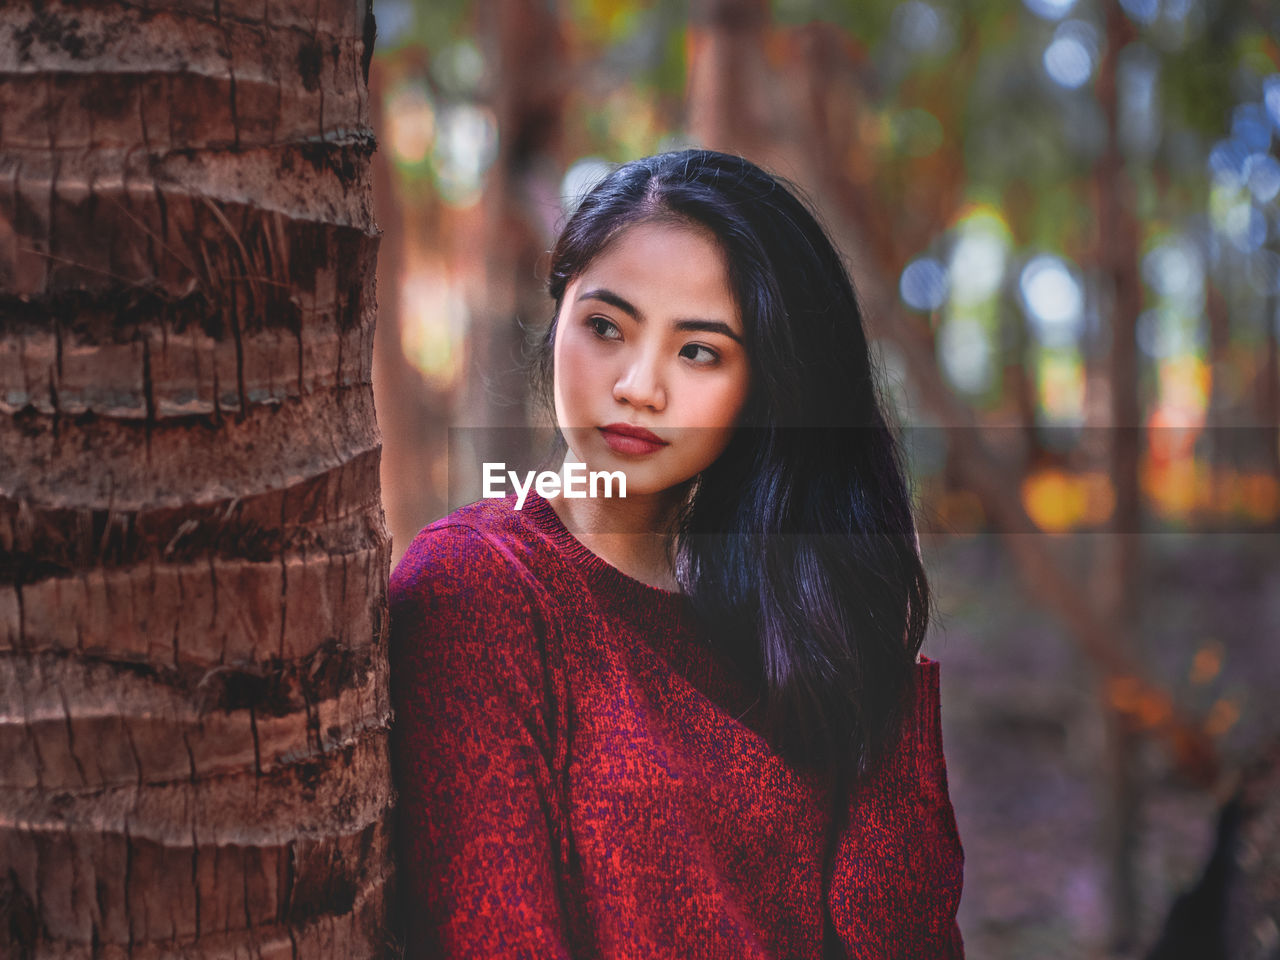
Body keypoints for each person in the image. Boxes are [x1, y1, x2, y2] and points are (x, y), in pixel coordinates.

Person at [388, 149, 965, 959]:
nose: (638, 385)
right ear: (558, 318)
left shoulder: (789, 612)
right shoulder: (482, 590)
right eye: (605, 327)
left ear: (764, 387)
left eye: (698, 351)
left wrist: (875, 672)